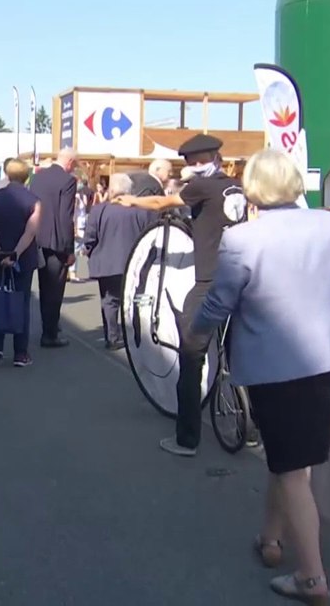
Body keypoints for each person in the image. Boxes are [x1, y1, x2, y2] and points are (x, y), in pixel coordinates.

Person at [192, 149, 330, 603]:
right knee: (289, 455)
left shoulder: (243, 239)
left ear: (252, 188)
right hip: (327, 357)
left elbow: (220, 301)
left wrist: (195, 333)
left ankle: (312, 576)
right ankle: (271, 537)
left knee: (292, 466)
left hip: (273, 362)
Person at [114, 133, 247, 457]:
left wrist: (131, 201)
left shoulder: (202, 186)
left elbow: (162, 203)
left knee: (191, 355)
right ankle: (251, 426)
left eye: (189, 162)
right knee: (240, 352)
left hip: (209, 282)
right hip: (241, 277)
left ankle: (186, 438)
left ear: (198, 161)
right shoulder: (233, 185)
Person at [82, 173, 155, 350]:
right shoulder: (142, 210)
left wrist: (88, 250)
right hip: (134, 262)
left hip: (106, 262)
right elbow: (150, 235)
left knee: (110, 301)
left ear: (112, 190)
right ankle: (136, 336)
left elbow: (90, 237)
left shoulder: (100, 210)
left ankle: (112, 336)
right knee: (134, 300)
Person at [0, 159, 42, 368]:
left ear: (7, 175)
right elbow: (30, 232)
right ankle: (20, 353)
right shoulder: (34, 200)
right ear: (27, 176)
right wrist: (14, 254)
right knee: (21, 302)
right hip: (22, 260)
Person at [28, 147, 79, 348]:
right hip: (57, 241)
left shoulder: (38, 178)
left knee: (43, 286)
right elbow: (66, 216)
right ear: (70, 162)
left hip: (38, 237)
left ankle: (49, 326)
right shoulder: (68, 181)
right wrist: (69, 249)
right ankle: (50, 333)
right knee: (55, 289)